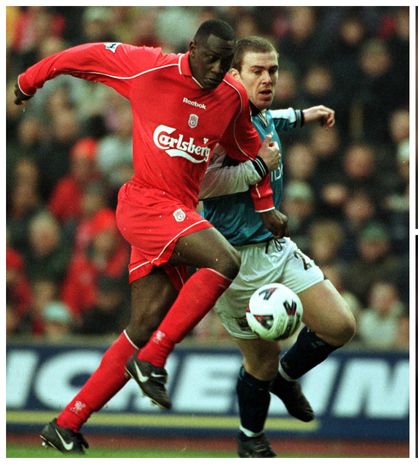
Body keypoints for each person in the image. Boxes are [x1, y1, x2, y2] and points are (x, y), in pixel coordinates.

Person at [15, 19, 281, 454]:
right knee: (225, 261)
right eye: (210, 58)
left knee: (142, 326)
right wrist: (29, 81)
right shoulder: (149, 67)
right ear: (192, 47)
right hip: (144, 204)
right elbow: (83, 56)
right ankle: (155, 359)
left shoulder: (231, 97)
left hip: (177, 217)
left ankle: (66, 423)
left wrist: (266, 207)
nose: (216, 69)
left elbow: (252, 150)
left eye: (224, 62)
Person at [198, 36, 356, 457]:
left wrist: (305, 115)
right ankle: (250, 438)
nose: (268, 79)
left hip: (274, 248)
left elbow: (274, 120)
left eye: (273, 70)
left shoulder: (259, 111)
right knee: (260, 362)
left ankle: (286, 379)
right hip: (232, 260)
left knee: (340, 326)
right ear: (234, 75)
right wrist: (258, 168)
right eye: (257, 71)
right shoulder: (217, 124)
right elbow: (201, 185)